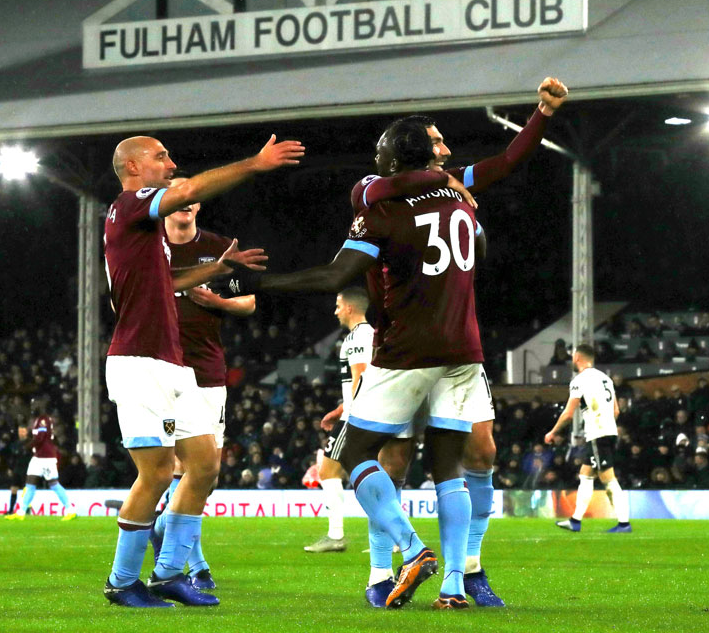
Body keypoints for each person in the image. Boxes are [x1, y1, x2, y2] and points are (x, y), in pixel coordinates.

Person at [217, 90, 564, 608]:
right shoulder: (457, 195)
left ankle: (412, 549)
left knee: (354, 453)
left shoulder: (382, 209)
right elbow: (506, 167)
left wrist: (259, 284)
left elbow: (336, 272)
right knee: (446, 467)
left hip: (405, 348)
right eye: (438, 143)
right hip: (463, 349)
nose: (447, 150)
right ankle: (446, 586)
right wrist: (541, 118)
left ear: (393, 159)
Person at [342, 77, 569, 607]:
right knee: (393, 460)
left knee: (481, 451)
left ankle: (467, 570)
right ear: (413, 152)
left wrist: (542, 113)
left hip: (452, 344)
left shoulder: (446, 184)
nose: (447, 150)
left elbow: (507, 160)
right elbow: (374, 193)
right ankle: (382, 571)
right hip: (399, 347)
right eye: (437, 142)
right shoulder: (378, 194)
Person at [102, 132, 303, 609]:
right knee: (155, 474)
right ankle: (122, 581)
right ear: (132, 167)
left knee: (206, 464)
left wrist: (218, 268)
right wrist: (254, 163)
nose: (170, 163)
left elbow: (168, 282)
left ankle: (170, 572)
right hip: (137, 359)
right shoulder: (131, 204)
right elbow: (189, 191)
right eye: (160, 156)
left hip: (174, 364)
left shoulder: (143, 231)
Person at [154, 184, 257, 590]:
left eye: (190, 198)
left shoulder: (219, 247)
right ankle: (188, 566)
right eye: (176, 199)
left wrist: (216, 303)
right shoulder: (147, 246)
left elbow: (249, 301)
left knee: (206, 473)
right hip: (159, 366)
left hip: (208, 370)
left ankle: (162, 528)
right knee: (176, 467)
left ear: (196, 204)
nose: (185, 205)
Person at [305, 287, 373, 553]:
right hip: (359, 412)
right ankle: (391, 539)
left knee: (328, 471)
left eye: (337, 305)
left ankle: (336, 537)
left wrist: (350, 414)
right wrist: (339, 409)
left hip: (358, 416)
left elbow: (361, 378)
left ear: (349, 308)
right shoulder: (368, 335)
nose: (335, 311)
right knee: (370, 476)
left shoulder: (358, 337)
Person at [544, 344, 631, 534]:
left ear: (577, 358)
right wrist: (606, 425)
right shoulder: (606, 378)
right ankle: (575, 521)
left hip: (597, 434)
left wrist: (552, 432)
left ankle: (624, 524)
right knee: (585, 474)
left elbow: (568, 413)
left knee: (608, 478)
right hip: (606, 432)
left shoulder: (580, 380)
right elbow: (616, 410)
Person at [5, 398, 77, 521]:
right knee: (30, 483)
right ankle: (21, 512)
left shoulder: (44, 420)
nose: (33, 407)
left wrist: (27, 446)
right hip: (38, 457)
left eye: (35, 405)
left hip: (46, 458)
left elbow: (40, 438)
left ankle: (70, 510)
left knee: (54, 484)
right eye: (32, 405)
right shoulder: (38, 420)